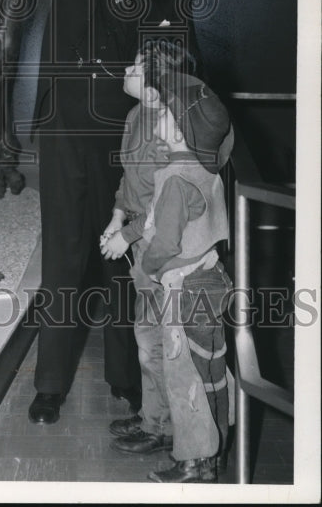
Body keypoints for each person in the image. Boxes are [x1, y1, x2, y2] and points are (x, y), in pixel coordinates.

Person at [0, 0, 200, 424]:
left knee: (120, 263)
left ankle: (127, 381)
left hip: (126, 141)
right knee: (63, 254)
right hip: (63, 131)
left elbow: (178, 73)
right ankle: (50, 384)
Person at [101, 38, 234, 482]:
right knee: (150, 345)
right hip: (153, 250)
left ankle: (193, 448)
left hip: (168, 258)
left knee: (180, 356)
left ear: (159, 89)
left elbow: (166, 212)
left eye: (138, 65)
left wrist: (130, 238)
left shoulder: (177, 134)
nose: (128, 67)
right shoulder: (139, 117)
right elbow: (129, 182)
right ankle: (158, 425)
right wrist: (117, 218)